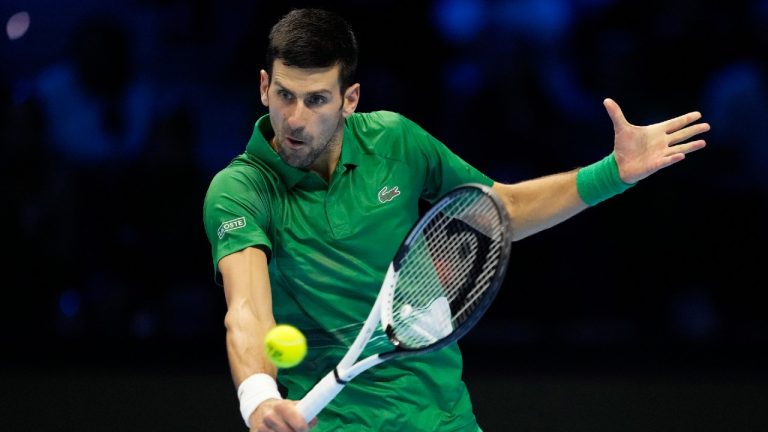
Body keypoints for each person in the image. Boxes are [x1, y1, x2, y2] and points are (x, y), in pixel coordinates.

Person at [202, 8, 709, 432]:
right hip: (333, 425)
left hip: (444, 419)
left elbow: (500, 210)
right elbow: (246, 310)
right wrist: (258, 398)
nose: (295, 118)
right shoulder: (240, 190)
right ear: (264, 86)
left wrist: (612, 172)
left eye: (316, 100)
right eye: (285, 95)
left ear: (349, 100)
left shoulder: (396, 142)